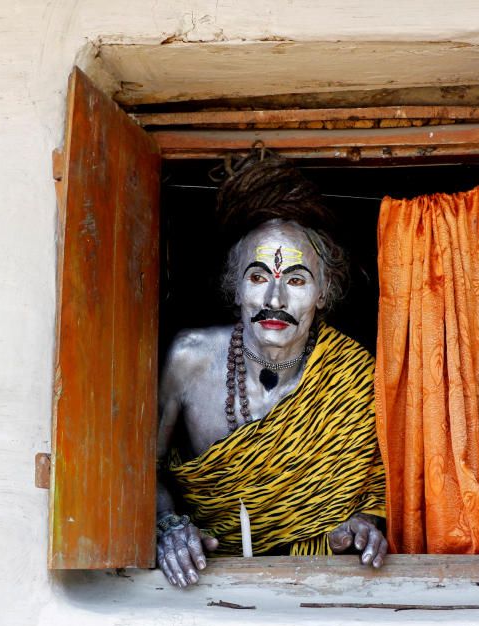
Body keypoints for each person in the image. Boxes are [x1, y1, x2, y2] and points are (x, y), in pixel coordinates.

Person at [154, 153, 387, 588]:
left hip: (320, 588)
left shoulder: (354, 375)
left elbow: (373, 487)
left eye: (296, 281)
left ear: (323, 294)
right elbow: (141, 472)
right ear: (235, 286)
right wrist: (167, 526)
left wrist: (360, 525)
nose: (275, 300)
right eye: (259, 277)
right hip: (211, 582)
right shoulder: (190, 358)